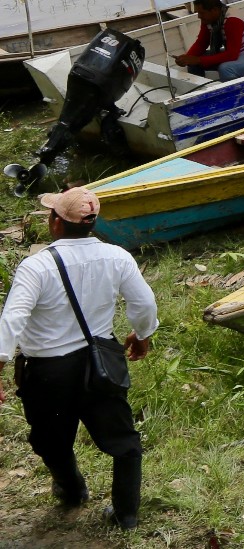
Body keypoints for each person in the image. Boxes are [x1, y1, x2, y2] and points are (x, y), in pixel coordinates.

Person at [0, 187, 156, 530]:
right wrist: (142, 335)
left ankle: (72, 491)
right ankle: (126, 514)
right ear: (91, 223)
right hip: (100, 364)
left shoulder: (36, 266)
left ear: (56, 223)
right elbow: (144, 304)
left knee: (50, 439)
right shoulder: (117, 257)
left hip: (47, 373)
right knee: (124, 442)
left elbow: (12, 319)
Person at [175, 0, 244, 82]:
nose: (199, 16)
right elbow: (201, 43)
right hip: (239, 54)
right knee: (194, 59)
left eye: (202, 13)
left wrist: (198, 60)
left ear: (215, 10)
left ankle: (232, 95)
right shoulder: (209, 19)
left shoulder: (232, 21)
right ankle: (199, 89)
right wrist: (186, 58)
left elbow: (232, 55)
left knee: (226, 68)